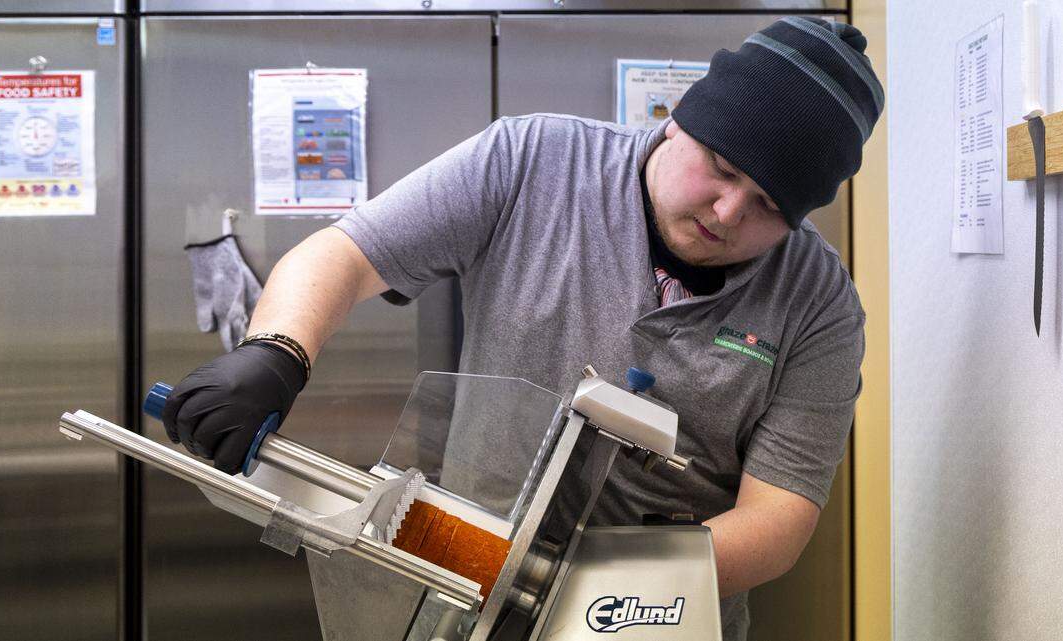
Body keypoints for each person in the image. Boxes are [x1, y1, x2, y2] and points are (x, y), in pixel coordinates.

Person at [162, 16, 883, 640]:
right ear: (680, 120)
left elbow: (776, 520)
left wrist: (584, 583)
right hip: (464, 589)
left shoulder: (818, 303)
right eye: (721, 168)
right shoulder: (533, 161)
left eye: (767, 206)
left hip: (656, 615)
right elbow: (346, 256)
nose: (727, 212)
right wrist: (275, 353)